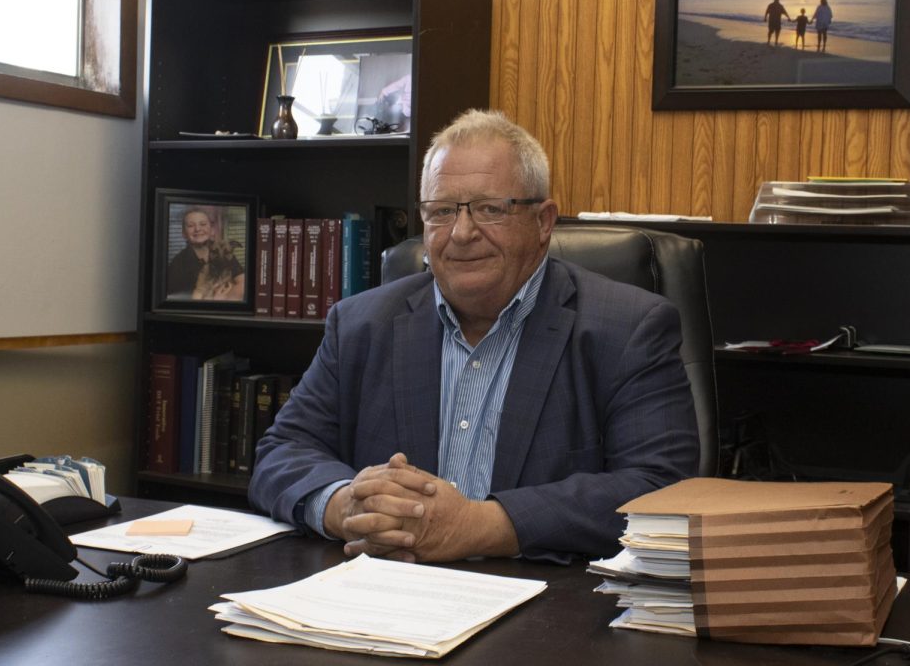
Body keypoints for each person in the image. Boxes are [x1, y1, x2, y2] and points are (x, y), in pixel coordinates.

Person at [248, 109, 699, 564]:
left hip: (550, 607)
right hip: (389, 595)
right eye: (441, 211)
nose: (461, 233)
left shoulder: (627, 328)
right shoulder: (361, 324)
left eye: (489, 209)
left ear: (543, 222)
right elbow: (282, 451)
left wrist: (482, 526)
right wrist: (346, 506)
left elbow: (659, 487)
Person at [166, 207, 244, 300]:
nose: (198, 229)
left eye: (203, 224)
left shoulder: (225, 253)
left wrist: (225, 300)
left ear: (211, 229)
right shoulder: (178, 264)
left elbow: (243, 283)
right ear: (183, 233)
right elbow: (177, 300)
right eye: (191, 225)